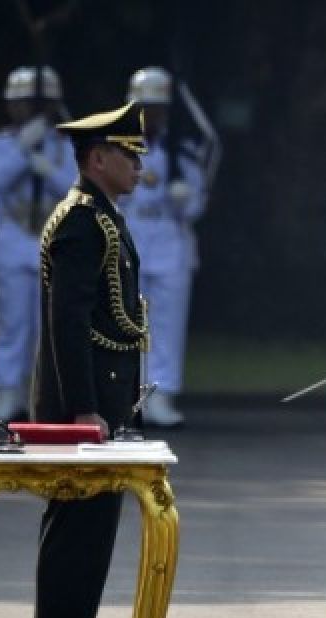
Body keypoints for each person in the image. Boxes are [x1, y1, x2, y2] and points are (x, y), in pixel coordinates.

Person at [30, 102, 149, 618]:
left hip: (105, 403)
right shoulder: (82, 220)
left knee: (91, 535)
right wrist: (82, 407)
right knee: (77, 536)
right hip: (85, 409)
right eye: (128, 156)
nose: (137, 167)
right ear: (97, 158)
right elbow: (68, 321)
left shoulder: (102, 215)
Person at [0, 66, 75, 421]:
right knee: (12, 325)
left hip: (55, 241)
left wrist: (46, 166)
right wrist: (22, 151)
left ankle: (48, 398)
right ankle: (8, 393)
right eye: (20, 104)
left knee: (51, 328)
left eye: (37, 104)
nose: (27, 111)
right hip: (13, 239)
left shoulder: (68, 144)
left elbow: (77, 191)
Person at [120, 67, 211, 428]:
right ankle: (129, 397)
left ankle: (162, 396)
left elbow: (197, 206)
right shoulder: (117, 148)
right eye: (144, 108)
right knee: (127, 322)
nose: (150, 116)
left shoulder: (183, 151)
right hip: (131, 239)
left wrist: (184, 199)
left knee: (168, 326)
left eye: (156, 109)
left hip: (170, 241)